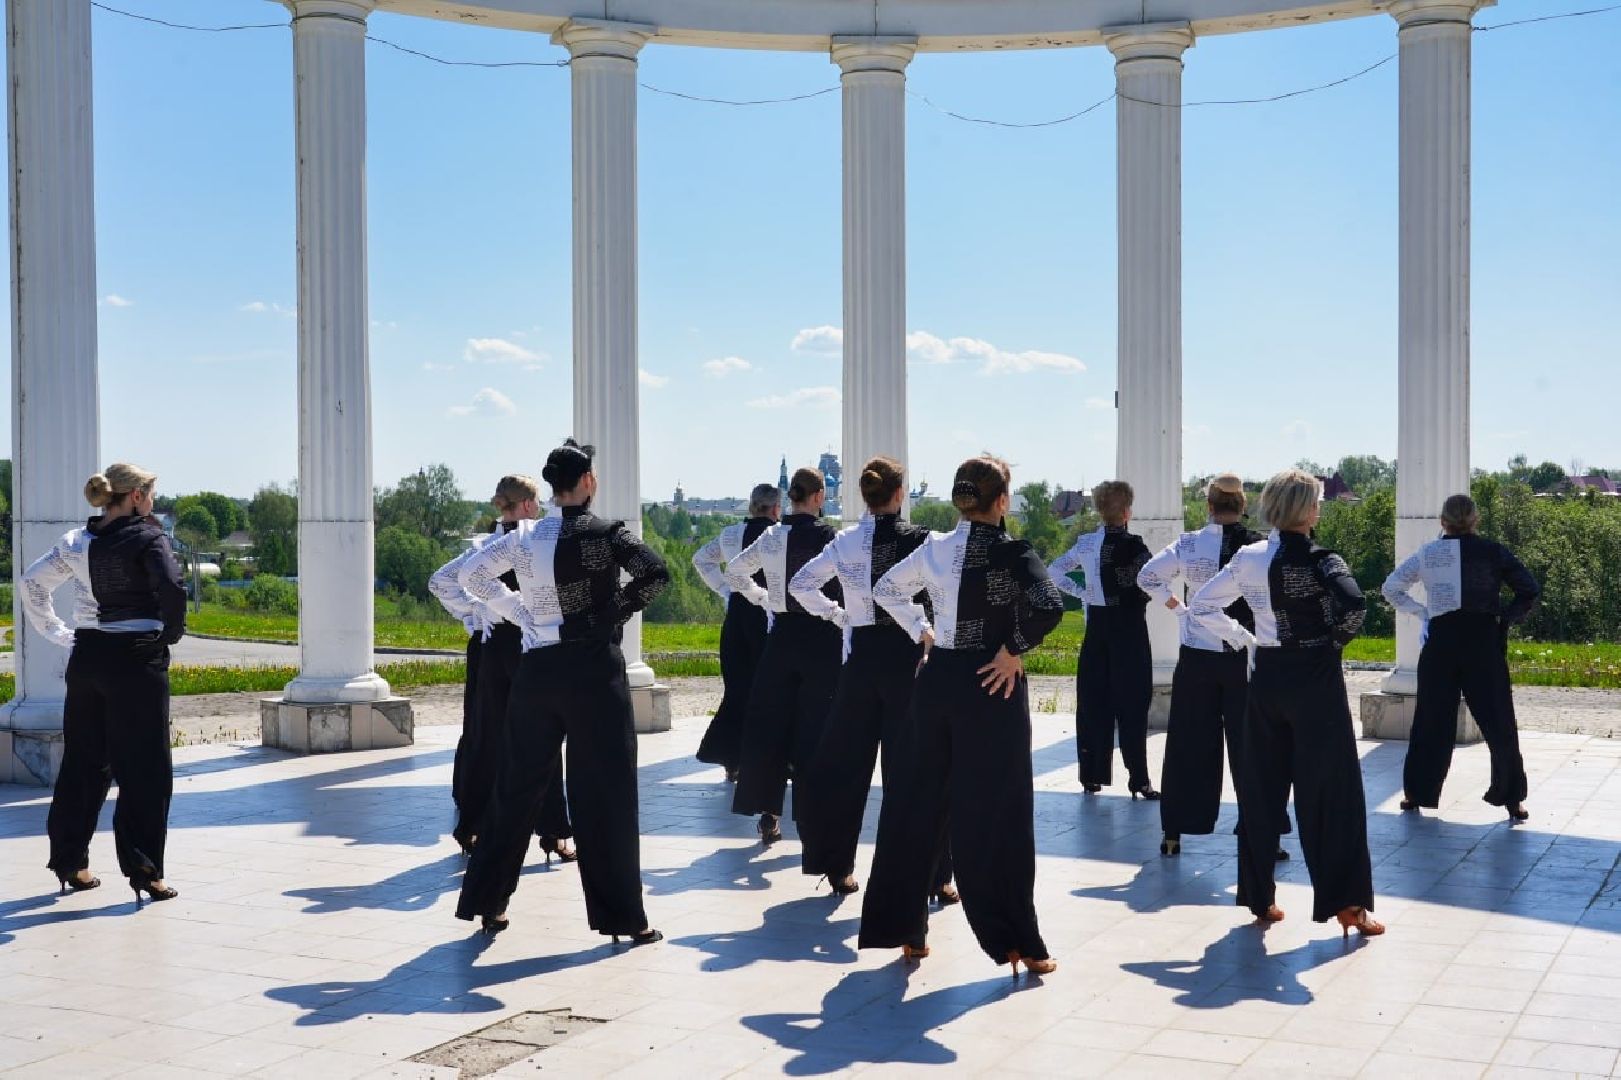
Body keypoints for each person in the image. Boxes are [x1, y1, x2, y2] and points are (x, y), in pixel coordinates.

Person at [453, 440, 669, 942]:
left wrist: (522, 613)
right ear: (589, 482)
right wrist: (608, 612)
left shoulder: (526, 537)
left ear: (552, 487)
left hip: (538, 671)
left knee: (515, 788)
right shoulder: (605, 535)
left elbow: (470, 574)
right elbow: (656, 574)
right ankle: (622, 917)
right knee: (606, 794)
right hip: (593, 672)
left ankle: (489, 903)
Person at [859, 455, 1064, 974]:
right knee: (1000, 812)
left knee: (916, 805)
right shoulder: (1013, 551)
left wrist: (923, 632)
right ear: (1001, 501)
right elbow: (1049, 604)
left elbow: (884, 589)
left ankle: (908, 931)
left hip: (936, 682)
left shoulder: (933, 548)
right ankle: (1021, 941)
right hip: (991, 685)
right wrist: (1013, 649)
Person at [1190, 469, 1382, 939]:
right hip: (1314, 680)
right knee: (1332, 793)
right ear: (1309, 509)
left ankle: (1260, 898)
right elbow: (1355, 606)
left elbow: (1201, 604)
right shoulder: (1323, 560)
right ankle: (1349, 906)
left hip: (1266, 677)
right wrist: (1331, 644)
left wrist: (1245, 640)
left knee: (1261, 789)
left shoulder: (1248, 556)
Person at [788, 456, 957, 904]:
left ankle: (839, 866)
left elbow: (801, 585)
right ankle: (937, 875)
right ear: (900, 494)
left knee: (846, 768)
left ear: (865, 495)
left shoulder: (845, 541)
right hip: (908, 660)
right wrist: (928, 629)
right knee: (917, 771)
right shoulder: (922, 541)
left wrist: (840, 616)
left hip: (861, 660)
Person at [21, 463, 186, 904]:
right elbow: (172, 586)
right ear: (135, 497)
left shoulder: (77, 541)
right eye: (149, 495)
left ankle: (71, 863)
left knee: (83, 762)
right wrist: (168, 635)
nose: (151, 503)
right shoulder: (149, 536)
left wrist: (59, 633)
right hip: (136, 660)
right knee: (145, 769)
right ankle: (146, 872)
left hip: (88, 658)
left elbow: (32, 583)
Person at [1138, 474, 1285, 859]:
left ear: (1209, 505)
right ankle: (1263, 830)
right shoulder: (1258, 546)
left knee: (1187, 743)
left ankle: (1174, 831)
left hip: (1197, 655)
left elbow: (1147, 576)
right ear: (1243, 505)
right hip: (1245, 656)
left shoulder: (1187, 544)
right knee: (1252, 746)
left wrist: (1179, 609)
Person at [429, 475, 574, 862]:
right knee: (542, 740)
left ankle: (473, 826)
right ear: (527, 504)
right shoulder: (537, 542)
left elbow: (442, 582)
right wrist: (510, 612)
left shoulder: (487, 544)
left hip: (493, 648)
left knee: (486, 735)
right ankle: (554, 832)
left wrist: (479, 611)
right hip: (531, 647)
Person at [1383, 494, 1540, 821]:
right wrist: (1504, 617)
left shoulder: (1428, 553)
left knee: (1431, 718)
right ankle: (1512, 799)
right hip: (1482, 640)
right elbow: (1529, 590)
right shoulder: (1494, 553)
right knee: (1498, 720)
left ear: (1443, 522)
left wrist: (1421, 611)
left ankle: (1416, 793)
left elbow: (1391, 587)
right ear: (1475, 520)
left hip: (1442, 641)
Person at [725, 468, 841, 844]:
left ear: (790, 498)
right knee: (814, 726)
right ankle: (812, 816)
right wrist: (836, 614)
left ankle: (769, 812)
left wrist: (764, 600)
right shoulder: (829, 538)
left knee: (772, 725)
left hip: (782, 638)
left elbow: (736, 572)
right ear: (819, 496)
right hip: (820, 638)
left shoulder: (773, 536)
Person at [1049, 481, 1156, 798]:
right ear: (1127, 512)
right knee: (1134, 703)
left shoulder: (1085, 543)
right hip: (1129, 628)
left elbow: (1055, 572)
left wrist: (1084, 594)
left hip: (1097, 625)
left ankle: (1091, 776)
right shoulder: (1135, 546)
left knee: (1094, 701)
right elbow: (1150, 580)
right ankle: (1139, 780)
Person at [691, 483, 782, 781]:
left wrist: (726, 591)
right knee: (768, 691)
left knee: (737, 688)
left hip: (737, 618)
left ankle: (732, 758)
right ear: (776, 508)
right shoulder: (779, 537)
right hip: (769, 618)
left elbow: (700, 559)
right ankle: (765, 759)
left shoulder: (730, 535)